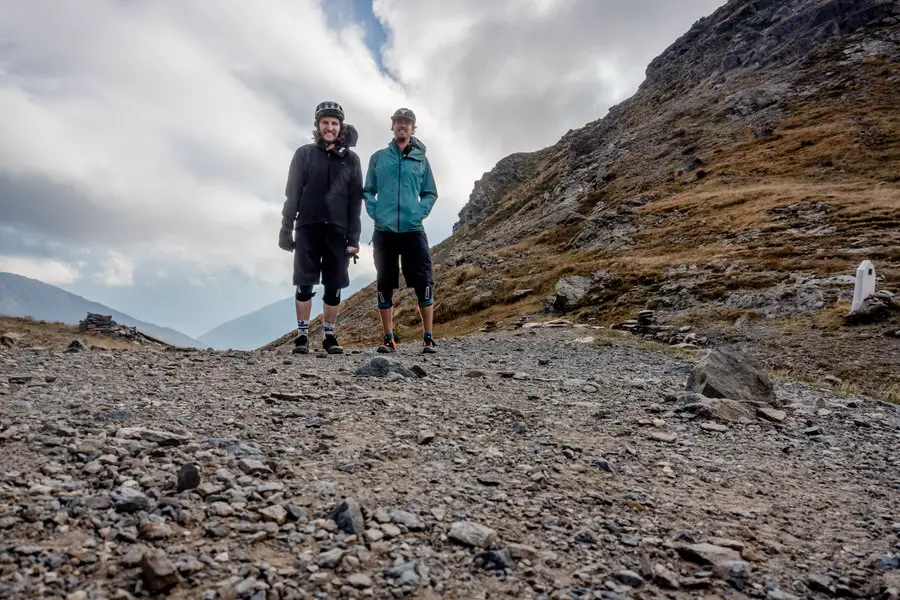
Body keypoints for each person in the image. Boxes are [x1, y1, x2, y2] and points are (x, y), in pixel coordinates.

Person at [278, 101, 362, 355]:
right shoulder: (303, 154)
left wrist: (354, 237)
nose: (330, 127)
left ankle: (329, 336)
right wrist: (286, 228)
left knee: (334, 285)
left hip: (338, 230)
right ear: (318, 125)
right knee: (304, 283)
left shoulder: (351, 159)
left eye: (334, 123)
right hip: (308, 227)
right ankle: (302, 336)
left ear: (340, 127)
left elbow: (355, 200)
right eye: (325, 122)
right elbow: (292, 194)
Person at [363, 107, 439, 354]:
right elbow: (367, 190)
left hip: (413, 229)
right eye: (398, 122)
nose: (402, 126)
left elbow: (429, 193)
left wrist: (418, 213)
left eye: (407, 123)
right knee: (385, 281)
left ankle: (428, 337)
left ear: (413, 128)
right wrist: (376, 212)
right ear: (393, 126)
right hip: (384, 230)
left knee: (423, 281)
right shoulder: (379, 158)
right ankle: (389, 338)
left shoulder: (421, 160)